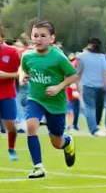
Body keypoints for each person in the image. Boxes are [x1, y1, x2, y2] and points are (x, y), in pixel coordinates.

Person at [20, 20, 79, 179]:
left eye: (43, 36)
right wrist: (23, 76)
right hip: (36, 98)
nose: (38, 39)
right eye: (35, 35)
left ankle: (67, 142)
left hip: (56, 103)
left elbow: (73, 75)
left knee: (56, 142)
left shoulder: (58, 57)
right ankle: (38, 167)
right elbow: (24, 69)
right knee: (31, 126)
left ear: (52, 38)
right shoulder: (27, 56)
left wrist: (58, 87)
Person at [75, 38, 106, 135]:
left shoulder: (82, 56)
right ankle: (95, 127)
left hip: (87, 85)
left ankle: (94, 128)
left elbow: (79, 72)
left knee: (90, 108)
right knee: (98, 108)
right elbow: (105, 71)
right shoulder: (102, 57)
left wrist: (77, 84)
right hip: (100, 85)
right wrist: (105, 84)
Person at [0, 27, 21, 160]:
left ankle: (11, 149)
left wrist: (5, 75)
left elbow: (21, 73)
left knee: (11, 126)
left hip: (7, 94)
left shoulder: (12, 52)